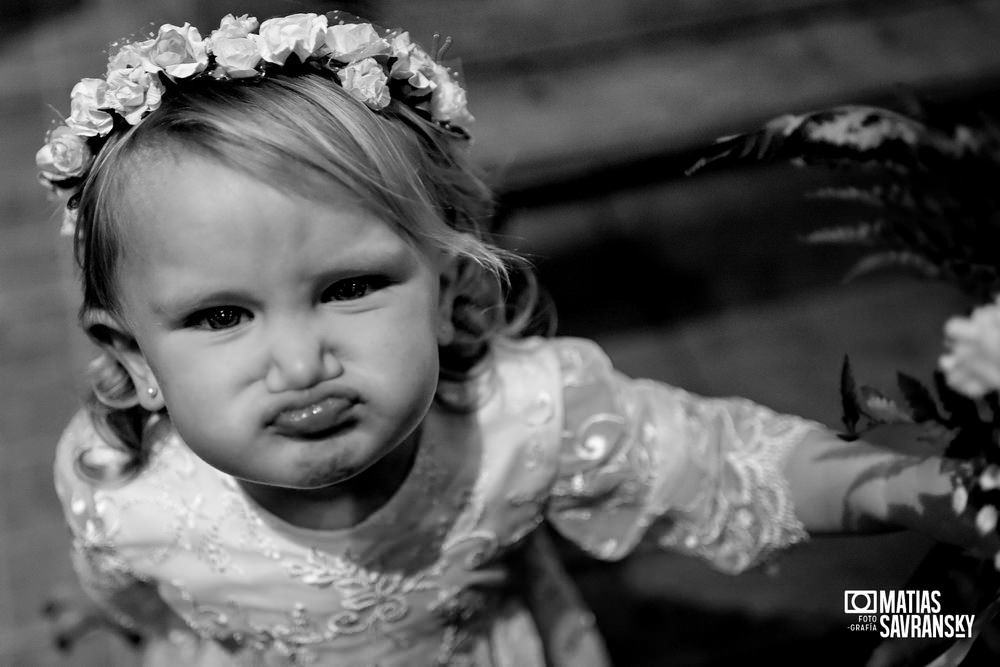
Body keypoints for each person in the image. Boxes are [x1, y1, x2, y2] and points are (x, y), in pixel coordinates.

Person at [35, 10, 997, 666]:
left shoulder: (530, 417)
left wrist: (915, 489)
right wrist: (118, 618)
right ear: (132, 361)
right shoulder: (123, 487)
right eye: (221, 315)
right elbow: (119, 575)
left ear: (450, 291)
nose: (298, 362)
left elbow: (726, 468)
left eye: (351, 286)